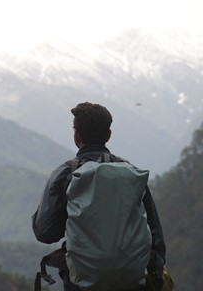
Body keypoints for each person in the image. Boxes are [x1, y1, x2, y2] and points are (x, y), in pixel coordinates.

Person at [32, 102, 166, 290]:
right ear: (108, 135)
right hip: (132, 282)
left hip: (80, 283)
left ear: (76, 135)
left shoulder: (65, 174)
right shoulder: (132, 174)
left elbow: (45, 233)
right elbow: (156, 239)